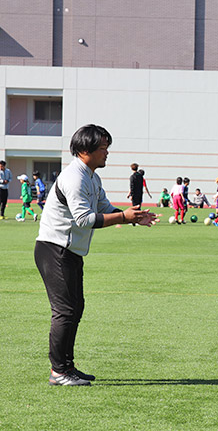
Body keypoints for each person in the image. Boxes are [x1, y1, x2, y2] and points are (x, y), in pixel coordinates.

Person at [35, 124, 158, 386]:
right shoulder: (74, 177)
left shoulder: (91, 176)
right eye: (103, 148)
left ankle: (67, 367)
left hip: (69, 251)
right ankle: (58, 372)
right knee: (65, 310)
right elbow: (84, 219)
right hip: (54, 249)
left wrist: (132, 217)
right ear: (83, 150)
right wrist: (122, 217)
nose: (107, 153)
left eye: (106, 148)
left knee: (75, 308)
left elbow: (105, 207)